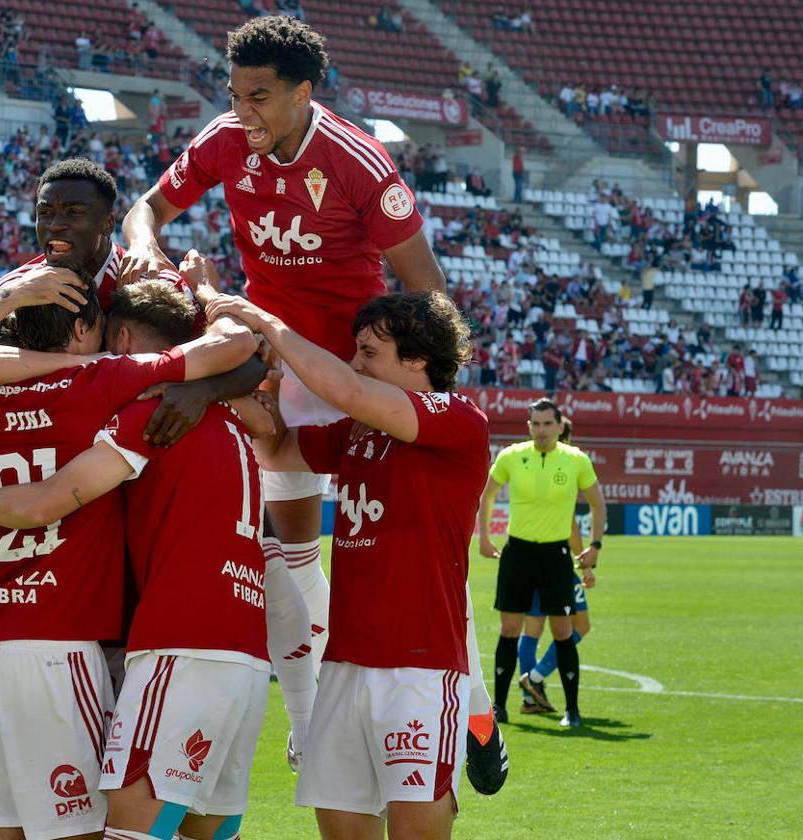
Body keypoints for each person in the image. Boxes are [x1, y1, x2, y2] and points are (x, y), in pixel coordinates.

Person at [0, 272, 315, 840]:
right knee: (210, 826)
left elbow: (50, 498)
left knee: (112, 825)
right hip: (245, 659)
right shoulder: (235, 424)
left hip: (171, 647)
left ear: (125, 341)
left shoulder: (154, 410)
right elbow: (278, 576)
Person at [120, 14, 445, 675]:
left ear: (303, 93)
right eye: (234, 95)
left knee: (398, 550)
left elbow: (426, 287)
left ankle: (470, 707)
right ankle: (309, 718)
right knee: (292, 555)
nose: (242, 112)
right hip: (278, 367)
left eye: (258, 96)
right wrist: (147, 246)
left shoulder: (357, 161)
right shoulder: (224, 140)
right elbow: (145, 209)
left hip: (355, 372)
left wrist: (420, 393)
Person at [206, 289, 489, 839]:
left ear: (418, 360)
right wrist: (231, 369)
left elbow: (344, 388)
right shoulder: (359, 431)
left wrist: (263, 317)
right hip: (342, 666)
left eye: (368, 352)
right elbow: (276, 447)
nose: (355, 362)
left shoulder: (457, 420)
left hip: (420, 670)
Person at [477, 398, 607, 728]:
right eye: (536, 424)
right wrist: (484, 538)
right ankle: (500, 708)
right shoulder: (511, 456)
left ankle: (572, 710)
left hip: (556, 556)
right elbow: (487, 494)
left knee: (563, 631)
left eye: (548, 424)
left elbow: (597, 504)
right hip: (517, 553)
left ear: (560, 426)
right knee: (509, 629)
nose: (541, 430)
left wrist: (595, 546)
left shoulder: (576, 460)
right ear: (529, 426)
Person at [516, 418, 595, 714]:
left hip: (528, 558)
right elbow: (571, 525)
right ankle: (534, 679)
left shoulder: (537, 466)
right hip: (556, 560)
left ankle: (528, 699)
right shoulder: (563, 468)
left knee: (531, 630)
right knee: (580, 626)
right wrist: (583, 563)